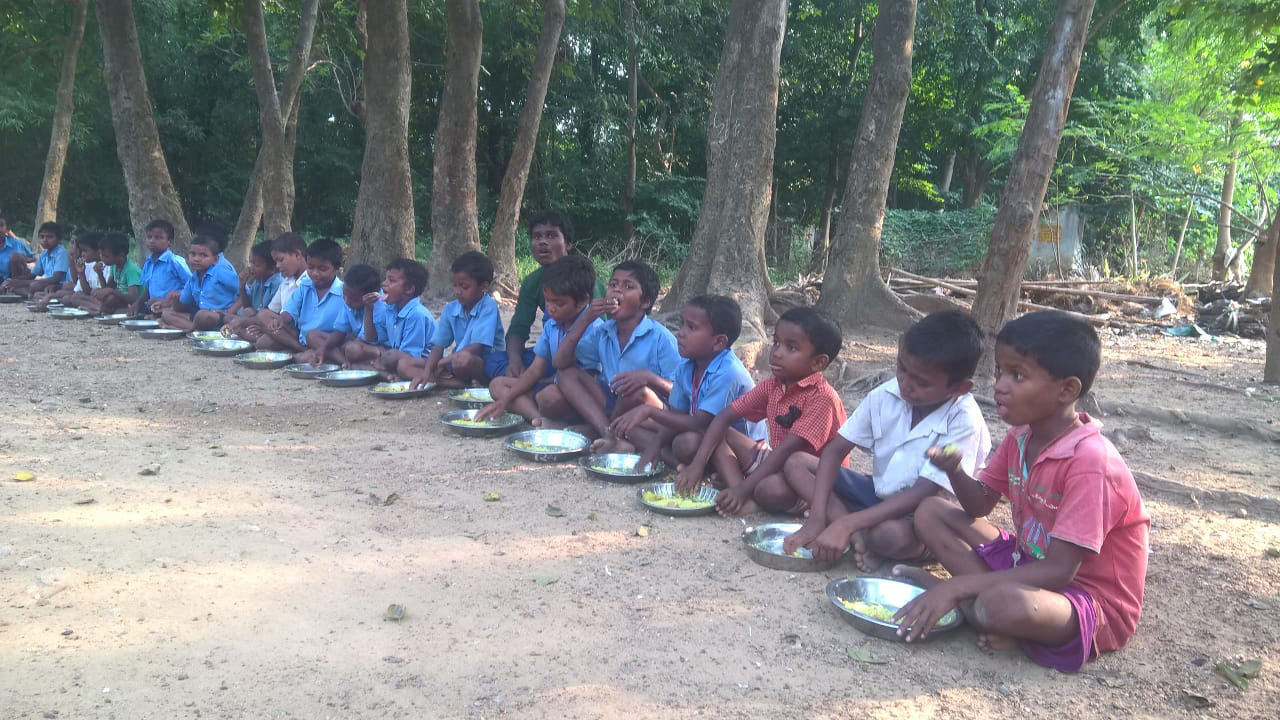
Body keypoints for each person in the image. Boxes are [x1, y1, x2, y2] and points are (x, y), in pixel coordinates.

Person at [891, 311, 1150, 675]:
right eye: (999, 371)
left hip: (1088, 599)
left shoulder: (1091, 462)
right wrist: (954, 471)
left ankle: (968, 601)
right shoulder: (1022, 436)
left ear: (1067, 390)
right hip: (1029, 561)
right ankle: (974, 604)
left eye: (1017, 375)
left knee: (1000, 605)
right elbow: (979, 504)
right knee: (931, 510)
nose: (999, 385)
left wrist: (958, 585)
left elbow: (1061, 571)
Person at [779, 310, 992, 571]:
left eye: (921, 382)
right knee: (797, 463)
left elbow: (923, 492)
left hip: (924, 514)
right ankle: (853, 532)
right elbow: (835, 451)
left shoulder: (964, 419)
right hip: (879, 494)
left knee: (889, 537)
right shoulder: (886, 394)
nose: (905, 383)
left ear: (958, 388)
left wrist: (847, 523)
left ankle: (859, 530)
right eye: (902, 368)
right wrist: (817, 517)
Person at [676, 307, 846, 518]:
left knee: (770, 489)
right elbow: (724, 417)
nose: (776, 352)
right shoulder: (773, 386)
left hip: (811, 479)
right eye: (776, 342)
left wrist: (745, 489)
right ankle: (739, 495)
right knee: (720, 430)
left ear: (818, 362)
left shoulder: (823, 398)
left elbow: (787, 452)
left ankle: (747, 496)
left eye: (791, 348)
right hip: (777, 462)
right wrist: (698, 465)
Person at [616, 294, 760, 471]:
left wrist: (648, 411)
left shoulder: (728, 373)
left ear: (718, 342)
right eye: (682, 323)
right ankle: (679, 465)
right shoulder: (687, 365)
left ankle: (706, 470)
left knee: (686, 443)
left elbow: (698, 423)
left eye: (691, 327)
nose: (680, 333)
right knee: (633, 430)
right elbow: (677, 416)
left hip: (742, 451)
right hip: (703, 434)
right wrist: (655, 446)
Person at [552, 260, 680, 451]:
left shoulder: (661, 338)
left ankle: (604, 431)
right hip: (613, 402)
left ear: (644, 302)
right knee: (567, 376)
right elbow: (560, 362)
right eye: (613, 285)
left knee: (638, 392)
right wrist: (586, 318)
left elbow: (679, 392)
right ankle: (609, 433)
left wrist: (649, 378)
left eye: (628, 286)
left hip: (649, 410)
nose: (616, 291)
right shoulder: (604, 331)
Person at [478, 254, 602, 425]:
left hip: (583, 395)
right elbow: (535, 370)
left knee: (548, 397)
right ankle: (538, 418)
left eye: (558, 303)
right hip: (550, 384)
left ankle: (572, 422)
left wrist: (547, 383)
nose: (550, 308)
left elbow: (587, 378)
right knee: (497, 385)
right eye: (548, 301)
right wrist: (504, 400)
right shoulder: (552, 325)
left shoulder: (594, 329)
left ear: (582, 301)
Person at [499, 211, 602, 378]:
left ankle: (543, 385)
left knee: (563, 375)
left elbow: (600, 335)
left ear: (568, 243)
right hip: (550, 351)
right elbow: (519, 327)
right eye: (537, 237)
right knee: (492, 362)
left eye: (551, 236)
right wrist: (515, 361)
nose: (543, 242)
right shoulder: (532, 282)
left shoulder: (583, 279)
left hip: (582, 357)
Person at [405, 251, 505, 389]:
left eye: (464, 287)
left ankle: (457, 381)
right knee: (405, 365)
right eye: (455, 285)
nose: (458, 291)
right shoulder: (450, 309)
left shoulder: (488, 306)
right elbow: (438, 346)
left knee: (462, 359)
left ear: (483, 287)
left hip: (485, 364)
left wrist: (441, 363)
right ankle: (457, 383)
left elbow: (476, 348)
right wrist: (428, 371)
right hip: (455, 362)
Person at [259, 238, 346, 356]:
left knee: (309, 344)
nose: (315, 273)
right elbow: (290, 311)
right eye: (310, 267)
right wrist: (280, 319)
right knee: (264, 325)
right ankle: (302, 350)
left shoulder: (343, 292)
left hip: (326, 340)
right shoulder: (305, 285)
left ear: (336, 269)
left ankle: (324, 355)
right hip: (301, 336)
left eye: (322, 269)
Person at [297, 263, 384, 367]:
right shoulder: (349, 303)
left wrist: (369, 309)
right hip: (354, 343)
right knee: (312, 335)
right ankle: (345, 363)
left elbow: (369, 339)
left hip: (375, 347)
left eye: (353, 299)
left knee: (352, 349)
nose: (347, 301)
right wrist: (322, 349)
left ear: (369, 296)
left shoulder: (380, 305)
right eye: (345, 295)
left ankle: (355, 364)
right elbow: (339, 332)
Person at [224, 232, 307, 341]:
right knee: (256, 317)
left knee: (264, 341)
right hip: (281, 326)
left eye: (281, 260)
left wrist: (244, 323)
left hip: (299, 330)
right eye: (276, 261)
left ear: (297, 255)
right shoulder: (286, 283)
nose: (278, 266)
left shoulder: (307, 283)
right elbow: (268, 312)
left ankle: (300, 349)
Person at [364, 258, 434, 377]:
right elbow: (371, 338)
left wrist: (383, 359)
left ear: (409, 289)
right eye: (386, 279)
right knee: (356, 348)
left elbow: (409, 356)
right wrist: (369, 309)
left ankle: (381, 372)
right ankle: (382, 371)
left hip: (422, 363)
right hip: (400, 357)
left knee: (392, 357)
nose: (384, 284)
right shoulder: (391, 309)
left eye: (391, 280)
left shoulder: (416, 314)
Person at [154, 234, 240, 331]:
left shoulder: (220, 273)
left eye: (203, 255)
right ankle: (195, 329)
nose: (196, 259)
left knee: (202, 315)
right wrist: (174, 299)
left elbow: (245, 292)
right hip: (200, 317)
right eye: (193, 254)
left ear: (215, 259)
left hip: (221, 317)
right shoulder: (193, 278)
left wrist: (229, 312)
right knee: (166, 314)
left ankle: (186, 328)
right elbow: (183, 303)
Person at [130, 219, 191, 318]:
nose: (152, 241)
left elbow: (191, 284)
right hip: (154, 304)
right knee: (140, 306)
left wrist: (170, 299)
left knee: (153, 303)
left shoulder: (175, 262)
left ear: (169, 242)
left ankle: (167, 315)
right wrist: (137, 303)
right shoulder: (148, 263)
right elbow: (147, 289)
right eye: (149, 237)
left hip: (173, 303)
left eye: (158, 238)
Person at [77, 233, 142, 315]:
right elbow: (106, 288)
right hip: (120, 301)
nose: (102, 258)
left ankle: (101, 311)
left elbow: (134, 298)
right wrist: (100, 274)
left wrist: (111, 291)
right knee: (98, 293)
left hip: (133, 303)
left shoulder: (131, 270)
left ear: (120, 256)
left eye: (106, 256)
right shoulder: (114, 266)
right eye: (101, 254)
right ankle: (103, 311)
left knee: (110, 299)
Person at [1, 222, 68, 298]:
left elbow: (55, 279)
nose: (45, 240)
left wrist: (21, 283)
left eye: (50, 237)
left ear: (59, 239)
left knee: (34, 285)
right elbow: (32, 275)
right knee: (13, 285)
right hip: (47, 283)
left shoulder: (61, 252)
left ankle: (30, 294)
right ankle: (30, 294)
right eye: (42, 237)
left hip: (59, 284)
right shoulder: (44, 254)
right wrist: (11, 281)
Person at [227, 241, 281, 318]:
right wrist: (242, 286)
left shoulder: (277, 283)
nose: (250, 267)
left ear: (272, 268)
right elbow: (247, 307)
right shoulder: (258, 281)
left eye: (256, 265)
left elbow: (267, 315)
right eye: (251, 262)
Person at [0, 214, 35, 282]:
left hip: (18, 279)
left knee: (15, 257)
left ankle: (14, 285)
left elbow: (35, 257)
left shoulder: (17, 244)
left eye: (1, 225)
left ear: (7, 229)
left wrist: (24, 259)